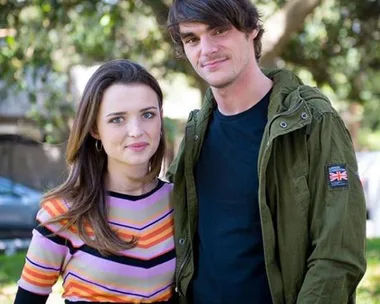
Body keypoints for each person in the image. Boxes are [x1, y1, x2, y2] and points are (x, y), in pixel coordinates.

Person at [166, 1, 367, 303]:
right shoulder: (195, 133)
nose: (206, 49)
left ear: (252, 29)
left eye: (218, 30)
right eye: (191, 38)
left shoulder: (313, 120)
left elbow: (338, 253)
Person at [14, 59, 176, 304]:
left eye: (147, 115)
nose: (136, 130)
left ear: (160, 118)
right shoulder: (63, 212)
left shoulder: (178, 201)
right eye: (117, 119)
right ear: (95, 129)